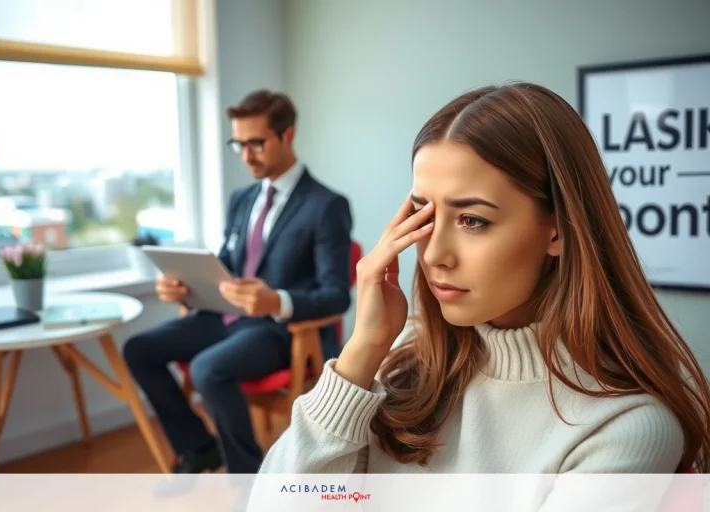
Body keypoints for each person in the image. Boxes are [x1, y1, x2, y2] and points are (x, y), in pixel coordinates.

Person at [255, 83, 710, 480]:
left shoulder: (625, 426)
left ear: (559, 228)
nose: (433, 254)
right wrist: (363, 351)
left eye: (472, 220)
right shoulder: (401, 357)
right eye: (424, 215)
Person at [123, 89, 353, 474]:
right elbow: (227, 265)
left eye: (257, 143)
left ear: (287, 135)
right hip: (224, 318)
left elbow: (336, 295)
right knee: (138, 349)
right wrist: (186, 288)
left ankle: (249, 480)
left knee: (206, 370)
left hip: (278, 330)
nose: (247, 155)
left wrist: (277, 301)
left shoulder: (326, 205)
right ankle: (198, 448)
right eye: (239, 144)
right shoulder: (241, 199)